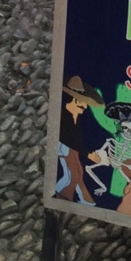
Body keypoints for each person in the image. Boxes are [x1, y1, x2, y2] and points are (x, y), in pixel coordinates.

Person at [56, 75, 102, 204]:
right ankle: (62, 200)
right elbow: (68, 139)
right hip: (64, 147)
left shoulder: (74, 116)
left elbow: (75, 139)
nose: (85, 106)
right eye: (81, 102)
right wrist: (87, 154)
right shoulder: (64, 116)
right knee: (72, 175)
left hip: (71, 148)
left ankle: (86, 201)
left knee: (78, 172)